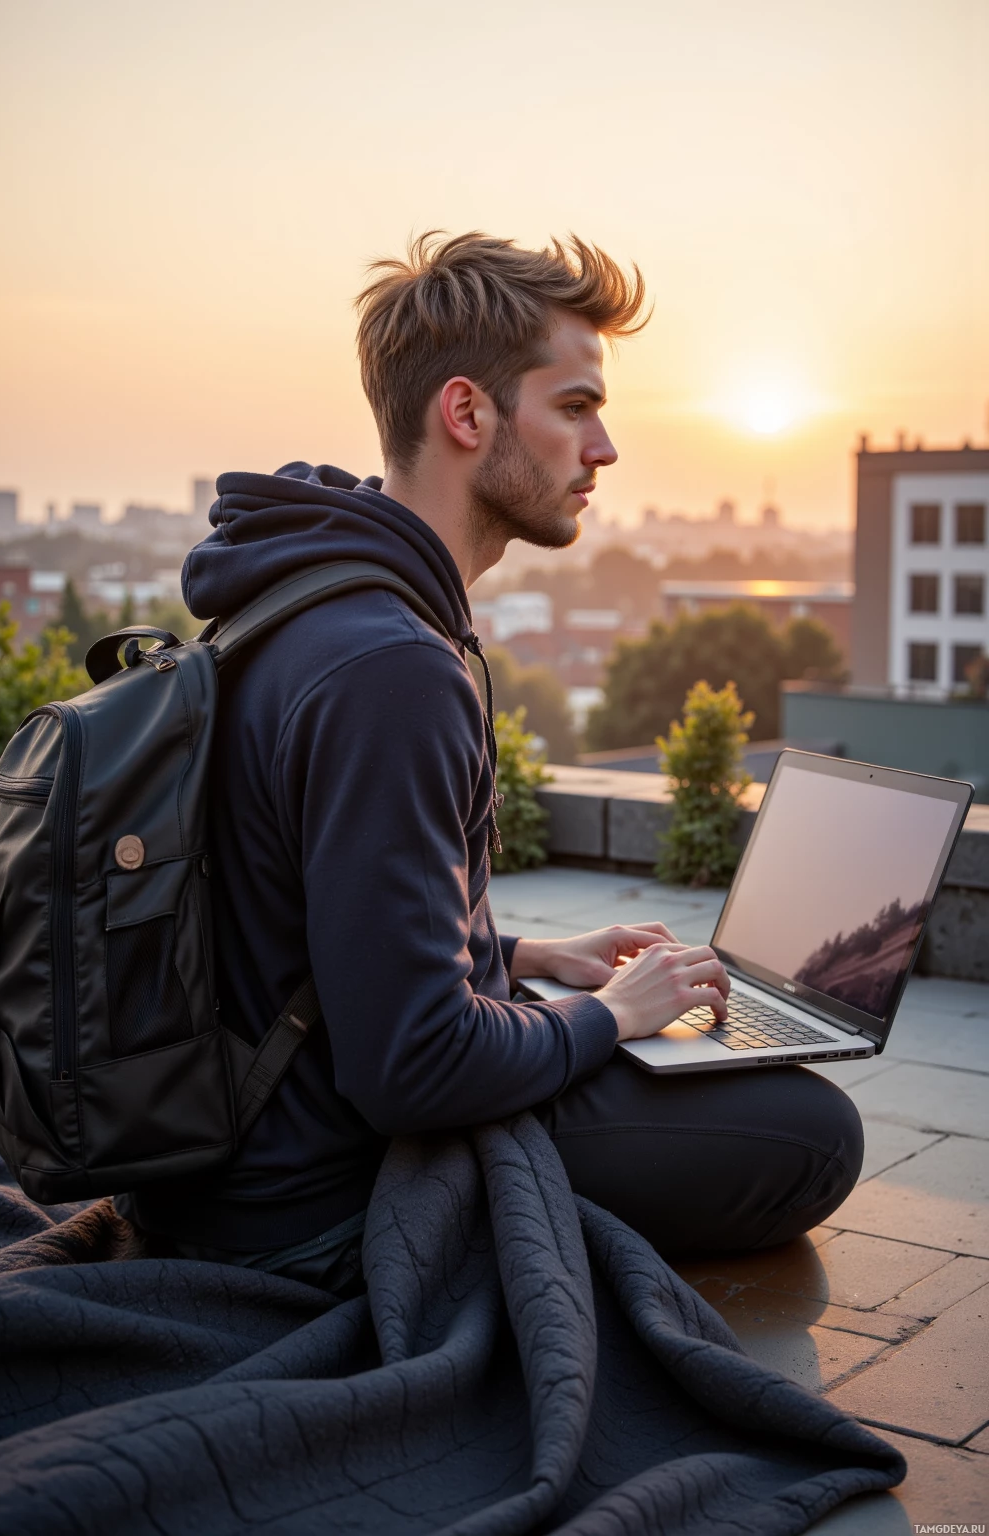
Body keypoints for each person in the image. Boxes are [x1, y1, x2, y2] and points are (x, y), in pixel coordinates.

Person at [118, 233, 862, 1293]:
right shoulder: (393, 668)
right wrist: (609, 1017)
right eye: (573, 407)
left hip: (230, 1156)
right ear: (466, 415)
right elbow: (411, 1072)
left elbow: (306, 921)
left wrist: (522, 956)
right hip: (304, 1203)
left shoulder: (303, 599)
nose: (601, 449)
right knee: (812, 1132)